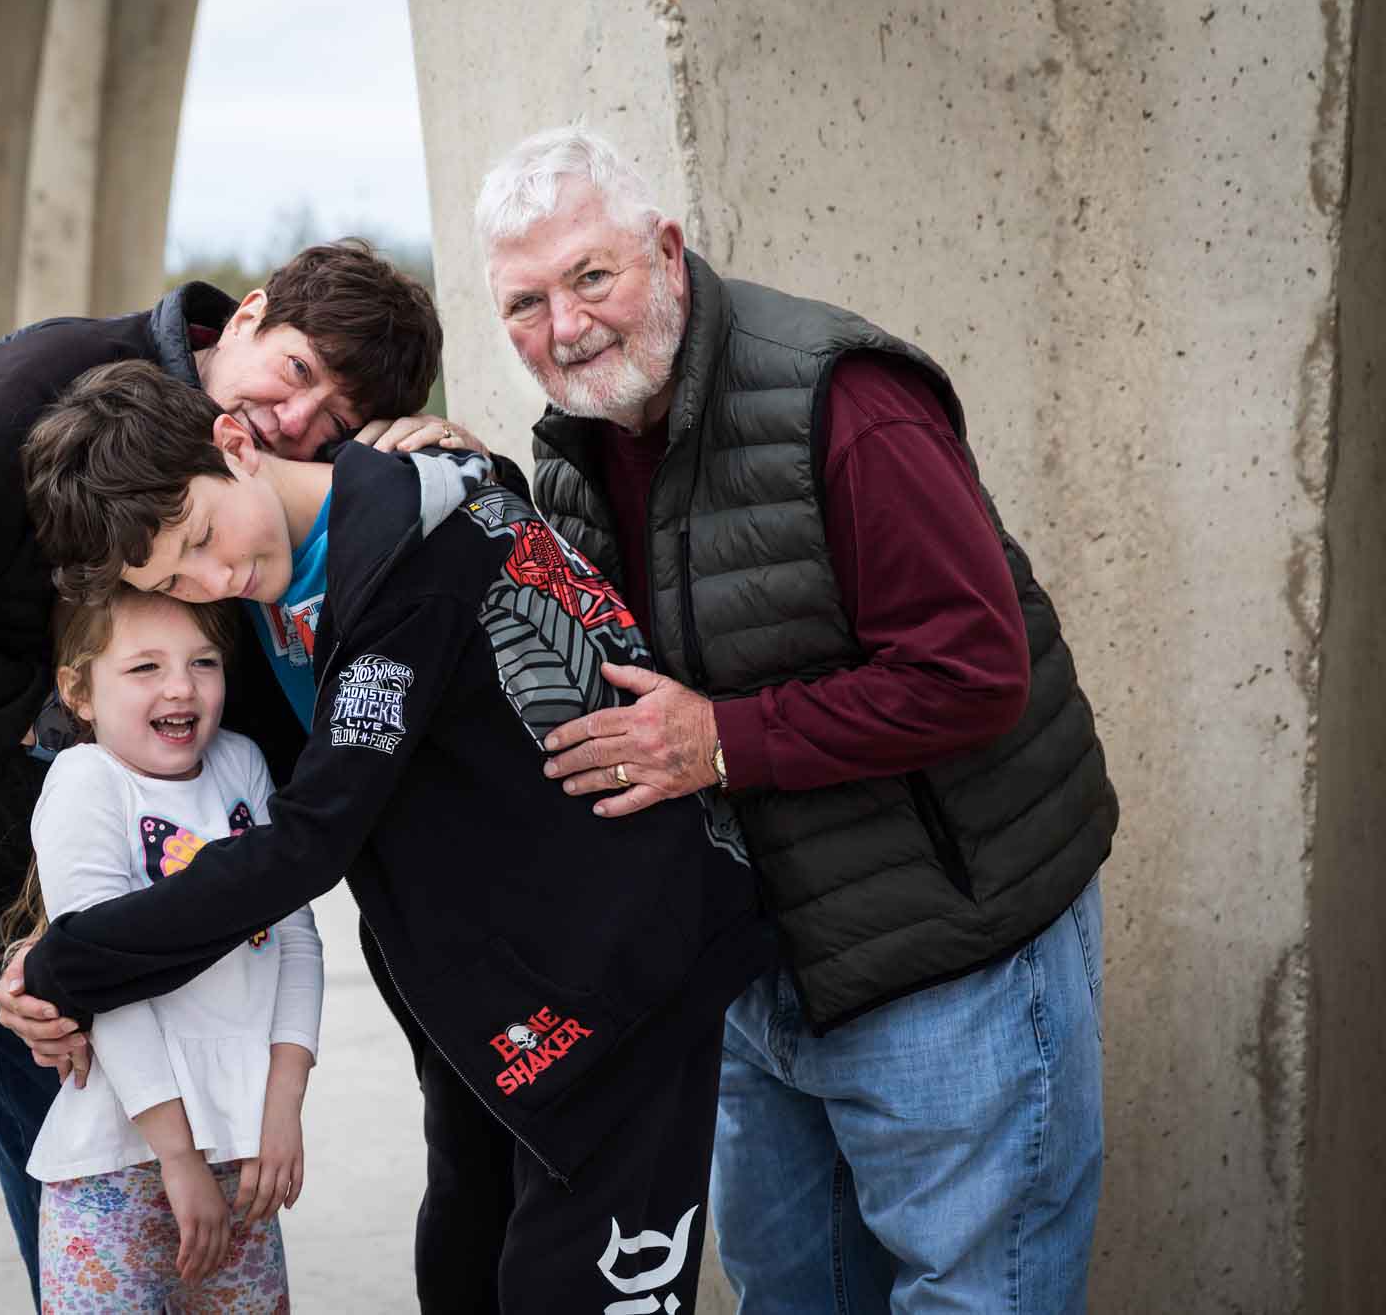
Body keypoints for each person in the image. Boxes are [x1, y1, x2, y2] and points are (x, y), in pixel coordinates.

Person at [0, 241, 468, 1313]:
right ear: (248, 316)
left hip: (71, 920)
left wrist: (435, 479)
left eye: (337, 422)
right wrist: (68, 729)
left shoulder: (267, 527)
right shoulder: (45, 383)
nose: (298, 421)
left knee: (114, 1252)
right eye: (300, 373)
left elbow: (254, 763)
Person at [475, 126, 1119, 1312]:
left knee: (976, 1296)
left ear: (666, 252)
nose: (563, 328)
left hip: (947, 957)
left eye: (589, 277)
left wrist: (718, 740)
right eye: (524, 302)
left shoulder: (840, 398)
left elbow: (973, 670)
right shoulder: (571, 449)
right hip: (756, 975)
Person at [9, 359, 776, 1313]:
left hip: (625, 968)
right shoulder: (291, 570)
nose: (215, 580)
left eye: (202, 540)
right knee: (462, 1265)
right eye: (175, 577)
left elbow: (310, 839)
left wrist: (74, 962)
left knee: (569, 1287)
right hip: (488, 993)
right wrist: (55, 943)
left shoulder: (408, 562)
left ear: (235, 443)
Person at [3, 587, 320, 1311]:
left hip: (245, 1165)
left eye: (203, 661)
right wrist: (177, 1157)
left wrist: (282, 1104)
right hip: (114, 1177)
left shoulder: (240, 763)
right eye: (145, 666)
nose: (181, 685)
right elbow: (99, 974)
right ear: (78, 690)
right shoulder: (87, 781)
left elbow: (295, 935)